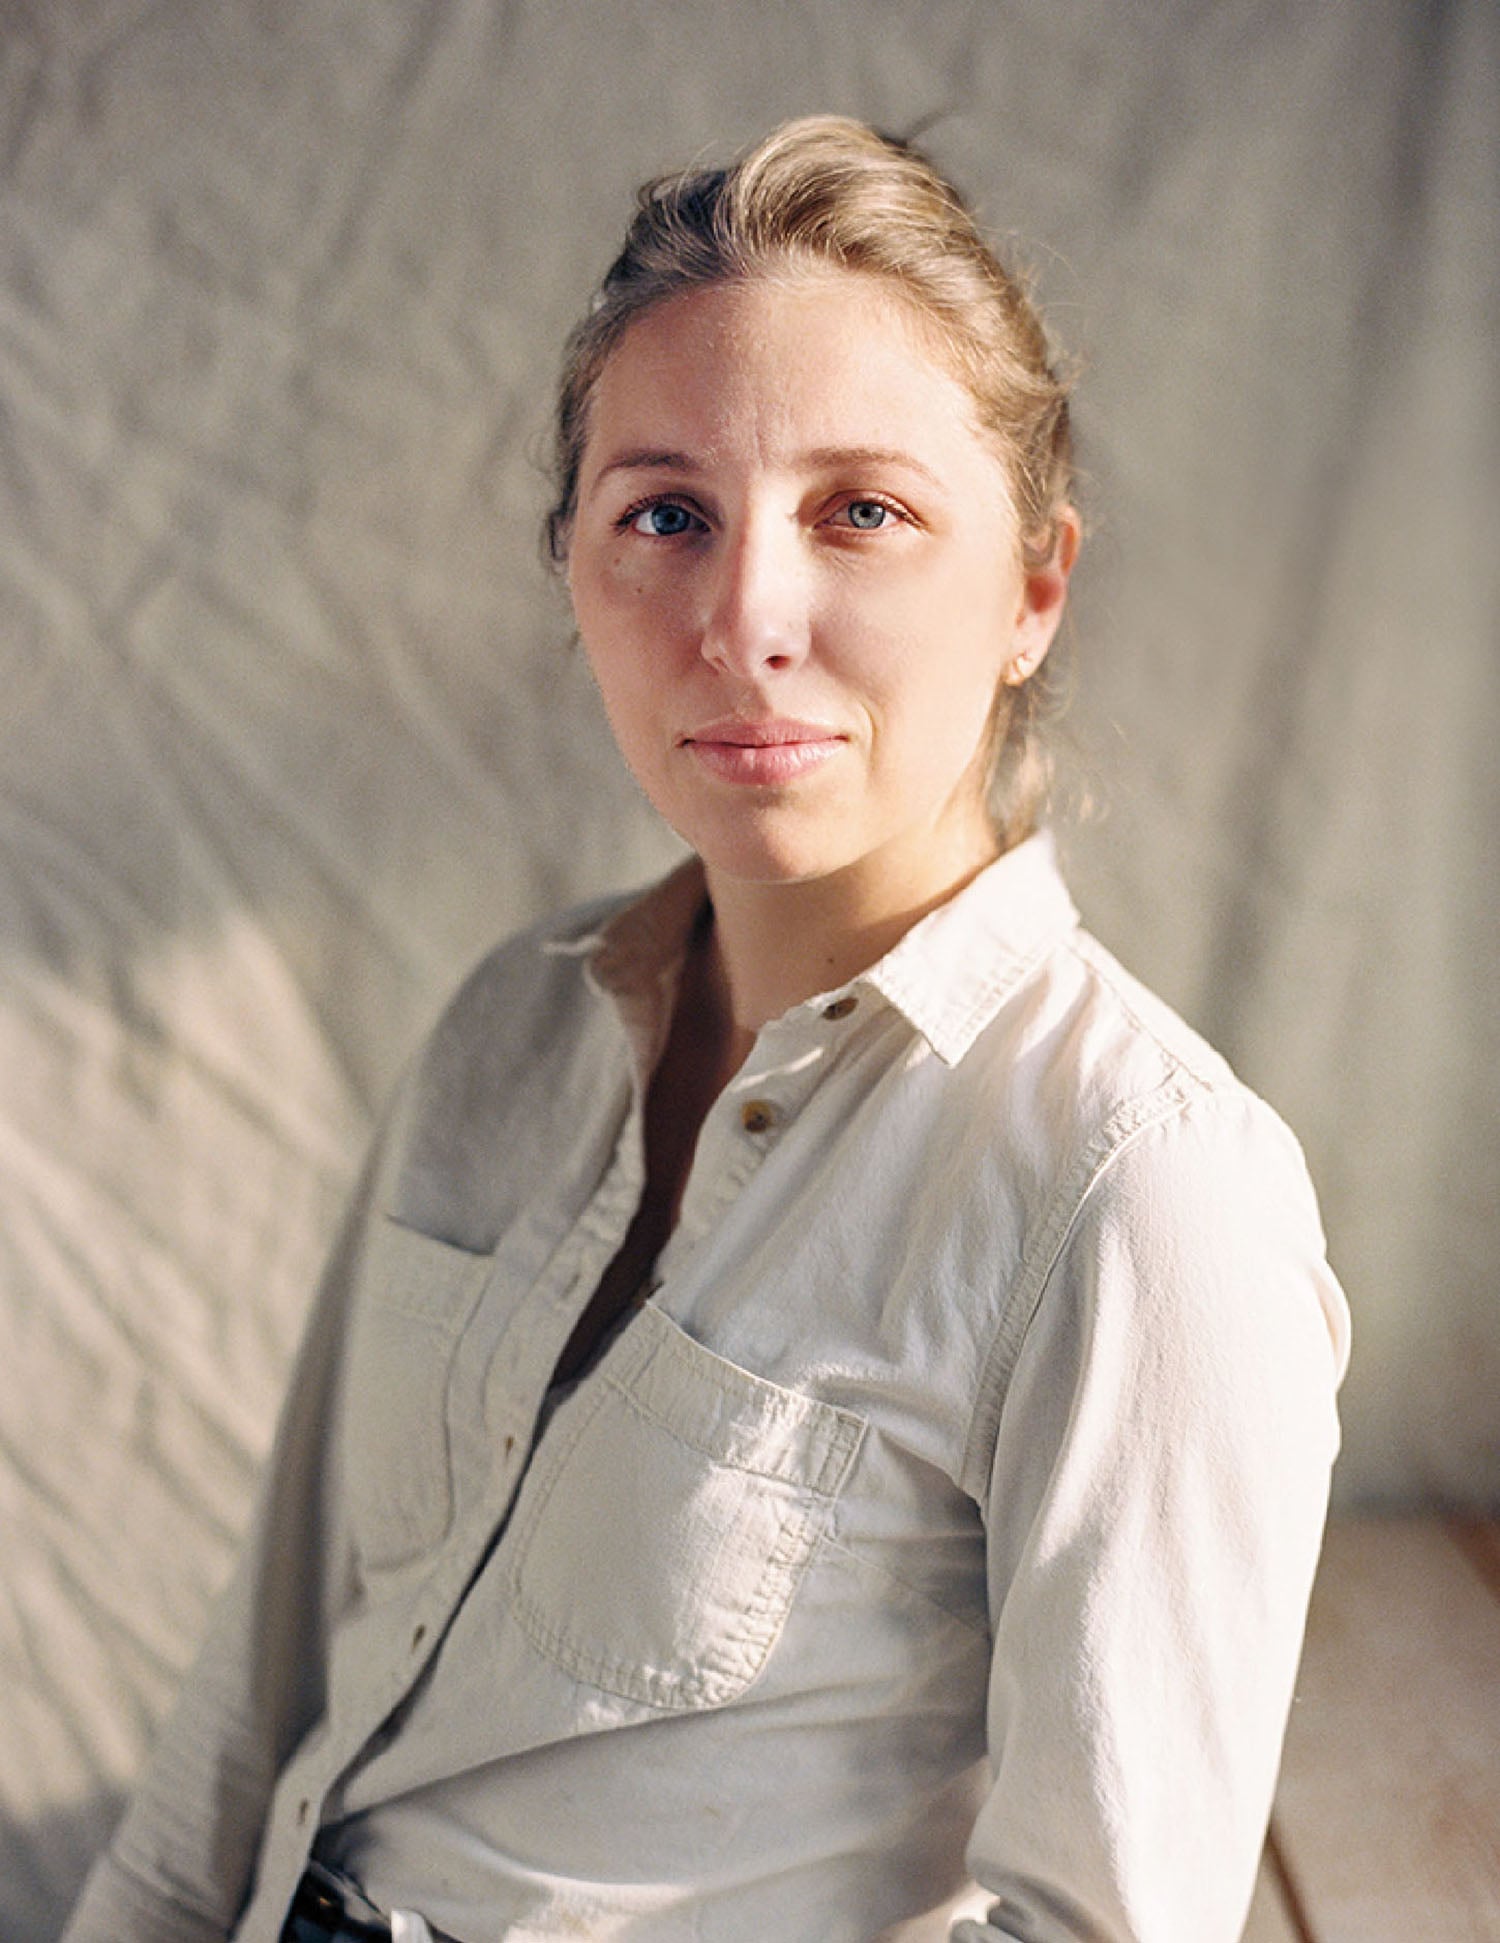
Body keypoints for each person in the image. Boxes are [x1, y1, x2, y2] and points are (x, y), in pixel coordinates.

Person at [63, 116, 1350, 1943]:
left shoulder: (1140, 1190)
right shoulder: (510, 1024)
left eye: (863, 513)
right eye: (665, 515)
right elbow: (258, 1685)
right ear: (576, 569)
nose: (745, 623)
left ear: (1034, 589)